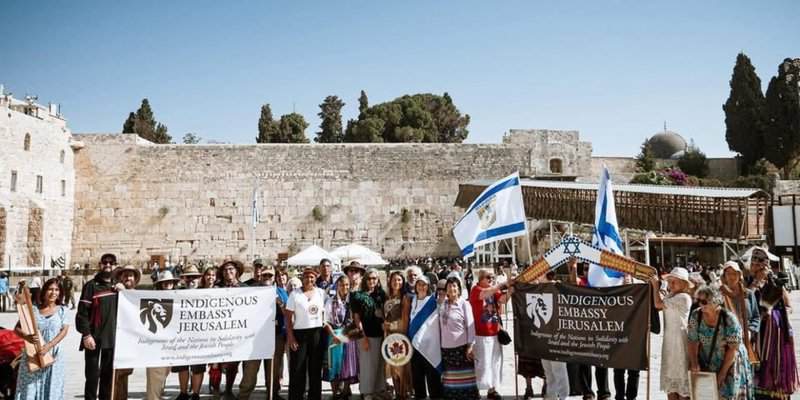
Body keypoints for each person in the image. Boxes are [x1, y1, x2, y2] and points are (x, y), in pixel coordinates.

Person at [747, 247, 798, 399]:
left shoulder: (775, 283)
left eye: (760, 264)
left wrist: (776, 314)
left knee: (775, 364)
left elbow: (789, 307)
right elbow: (744, 299)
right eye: (754, 264)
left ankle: (776, 393)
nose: (757, 267)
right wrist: (756, 282)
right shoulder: (746, 282)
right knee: (758, 363)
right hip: (756, 331)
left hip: (776, 333)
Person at [688, 285, 752, 400]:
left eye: (704, 301)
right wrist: (694, 362)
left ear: (716, 301)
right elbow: (692, 340)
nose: (700, 304)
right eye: (698, 300)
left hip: (729, 361)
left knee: (726, 394)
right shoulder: (695, 315)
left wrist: (722, 374)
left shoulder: (729, 319)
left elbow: (733, 349)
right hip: (707, 360)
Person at [14, 278, 70, 400]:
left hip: (54, 355)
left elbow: (64, 331)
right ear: (44, 291)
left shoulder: (63, 310)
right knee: (29, 389)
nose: (53, 293)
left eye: (56, 290)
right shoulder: (33, 309)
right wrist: (27, 337)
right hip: (33, 354)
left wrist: (49, 346)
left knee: (51, 388)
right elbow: (17, 328)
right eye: (50, 289)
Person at [77, 253, 119, 400]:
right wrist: (86, 335)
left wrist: (124, 291)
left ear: (115, 265)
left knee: (107, 377)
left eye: (111, 263)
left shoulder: (118, 286)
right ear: (100, 264)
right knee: (92, 376)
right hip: (93, 338)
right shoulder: (91, 286)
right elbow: (82, 313)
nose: (108, 265)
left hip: (112, 338)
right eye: (105, 262)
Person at [651, 267, 693, 400]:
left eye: (675, 282)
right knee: (670, 381)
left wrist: (655, 286)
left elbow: (658, 303)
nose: (671, 284)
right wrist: (660, 286)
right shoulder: (671, 296)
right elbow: (661, 299)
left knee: (681, 377)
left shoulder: (684, 297)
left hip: (680, 341)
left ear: (684, 284)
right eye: (670, 281)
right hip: (669, 340)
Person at [286, 267, 327, 400]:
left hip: (317, 333)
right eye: (306, 277)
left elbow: (326, 313)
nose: (309, 279)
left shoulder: (321, 293)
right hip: (299, 333)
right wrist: (291, 337)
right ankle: (296, 396)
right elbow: (288, 317)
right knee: (298, 368)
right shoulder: (295, 294)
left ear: (315, 279)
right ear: (302, 279)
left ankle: (314, 397)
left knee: (315, 369)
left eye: (312, 277)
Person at [468, 270, 510, 400]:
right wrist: (502, 284)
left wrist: (511, 291)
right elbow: (485, 294)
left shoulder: (493, 290)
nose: (491, 279)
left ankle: (492, 389)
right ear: (481, 278)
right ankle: (477, 389)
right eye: (488, 277)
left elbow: (502, 300)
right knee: (482, 363)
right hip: (480, 333)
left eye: (492, 277)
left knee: (494, 362)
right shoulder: (476, 289)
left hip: (494, 332)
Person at [439, 277, 479, 400]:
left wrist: (470, 345)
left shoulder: (464, 304)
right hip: (446, 349)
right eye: (449, 286)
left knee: (466, 381)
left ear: (459, 289)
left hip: (462, 349)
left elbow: (471, 326)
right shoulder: (442, 304)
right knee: (451, 382)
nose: (452, 288)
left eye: (454, 286)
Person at [351, 268, 387, 400]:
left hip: (380, 334)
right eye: (369, 278)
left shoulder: (381, 295)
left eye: (375, 278)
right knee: (367, 364)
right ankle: (367, 392)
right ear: (365, 279)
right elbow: (356, 318)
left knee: (379, 363)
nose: (372, 281)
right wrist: (363, 336)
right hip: (366, 334)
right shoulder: (357, 296)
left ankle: (378, 390)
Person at [145, 270, 180, 400]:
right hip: (156, 345)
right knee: (155, 375)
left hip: (172, 344)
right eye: (164, 283)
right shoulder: (152, 298)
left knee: (164, 373)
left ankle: (156, 396)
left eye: (169, 282)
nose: (167, 285)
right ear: (160, 284)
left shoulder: (179, 297)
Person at [407, 276, 443, 400]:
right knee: (418, 381)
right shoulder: (412, 301)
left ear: (428, 287)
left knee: (434, 382)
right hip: (415, 347)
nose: (421, 287)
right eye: (419, 284)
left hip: (431, 348)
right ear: (415, 286)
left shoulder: (433, 301)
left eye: (424, 285)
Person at [172, 265, 205, 400]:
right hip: (182, 335)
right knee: (182, 366)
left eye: (194, 277)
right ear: (184, 279)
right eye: (189, 277)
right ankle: (183, 392)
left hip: (200, 336)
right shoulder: (177, 293)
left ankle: (196, 394)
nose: (191, 280)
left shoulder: (206, 293)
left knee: (198, 366)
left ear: (199, 279)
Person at [719, 261, 760, 372]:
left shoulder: (748, 294)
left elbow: (756, 316)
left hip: (746, 338)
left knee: (745, 370)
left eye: (734, 274)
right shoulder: (719, 294)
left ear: (739, 275)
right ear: (724, 276)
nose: (731, 277)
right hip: (725, 341)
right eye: (728, 274)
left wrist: (751, 330)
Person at [324, 275, 359, 400]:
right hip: (334, 335)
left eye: (347, 285)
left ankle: (345, 391)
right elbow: (325, 321)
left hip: (349, 335)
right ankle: (335, 393)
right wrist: (334, 335)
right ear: (337, 286)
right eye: (342, 285)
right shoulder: (330, 301)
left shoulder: (352, 301)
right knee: (334, 365)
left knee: (347, 363)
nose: (345, 287)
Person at [111, 265, 141, 400]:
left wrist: (126, 294)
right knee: (114, 375)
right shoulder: (113, 292)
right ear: (120, 278)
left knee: (124, 374)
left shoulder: (137, 295)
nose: (128, 278)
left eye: (131, 275)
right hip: (114, 340)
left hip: (130, 340)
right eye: (125, 275)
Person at [218, 260, 244, 399]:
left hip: (237, 331)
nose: (228, 272)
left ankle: (228, 389)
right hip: (220, 330)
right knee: (217, 363)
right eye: (225, 270)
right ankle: (215, 388)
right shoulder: (218, 288)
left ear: (236, 271)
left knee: (233, 363)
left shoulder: (245, 288)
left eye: (231, 269)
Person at [384, 272, 412, 400]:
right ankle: (397, 392)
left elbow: (405, 319)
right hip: (389, 335)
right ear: (390, 282)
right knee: (393, 366)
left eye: (400, 280)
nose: (397, 282)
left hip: (400, 335)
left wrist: (403, 336)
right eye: (394, 280)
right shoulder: (387, 297)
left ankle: (404, 393)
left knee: (401, 366)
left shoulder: (405, 298)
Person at [200, 266, 223, 396]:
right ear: (204, 277)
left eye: (213, 275)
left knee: (216, 363)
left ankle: (215, 386)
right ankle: (195, 387)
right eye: (208, 275)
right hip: (201, 331)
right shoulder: (198, 291)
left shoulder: (220, 290)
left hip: (215, 330)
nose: (210, 277)